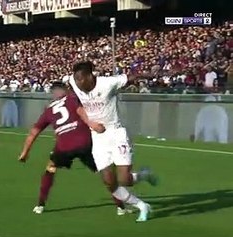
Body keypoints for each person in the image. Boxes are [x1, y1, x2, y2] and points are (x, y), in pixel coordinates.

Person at [69, 61, 158, 222]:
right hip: (98, 137)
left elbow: (132, 77)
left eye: (81, 79)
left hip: (117, 133)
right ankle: (141, 205)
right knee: (109, 182)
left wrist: (155, 73)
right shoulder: (73, 83)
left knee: (124, 179)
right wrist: (90, 123)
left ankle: (144, 175)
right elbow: (77, 106)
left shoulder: (108, 83)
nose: (78, 83)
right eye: (76, 80)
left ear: (90, 76)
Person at [18, 81, 110, 214]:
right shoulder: (73, 97)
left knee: (50, 167)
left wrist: (25, 152)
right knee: (105, 172)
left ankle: (40, 205)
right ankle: (121, 206)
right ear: (65, 89)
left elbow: (34, 132)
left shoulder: (49, 109)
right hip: (85, 142)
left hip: (64, 147)